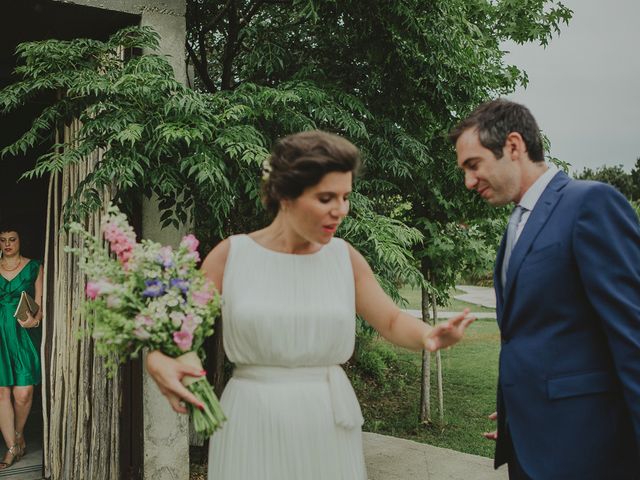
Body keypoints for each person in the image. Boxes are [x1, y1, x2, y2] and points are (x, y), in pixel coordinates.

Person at [146, 130, 475, 479]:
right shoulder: (232, 255)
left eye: (346, 197)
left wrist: (429, 336)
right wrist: (158, 357)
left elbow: (391, 320)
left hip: (326, 420)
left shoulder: (344, 258)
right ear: (285, 194)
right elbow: (175, 329)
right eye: (326, 198)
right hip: (251, 418)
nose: (340, 210)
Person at [450, 99, 640, 479]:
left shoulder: (589, 203)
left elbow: (632, 335)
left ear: (514, 146)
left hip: (588, 452)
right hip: (530, 446)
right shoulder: (516, 224)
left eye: (474, 165)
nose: (468, 181)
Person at [0, 224, 44, 470]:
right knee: (1, 391)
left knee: (23, 392)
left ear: (20, 241)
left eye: (12, 239)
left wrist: (35, 320)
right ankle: (11, 448)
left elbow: (39, 303)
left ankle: (18, 434)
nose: (7, 244)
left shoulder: (35, 266)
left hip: (23, 333)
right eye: (3, 240)